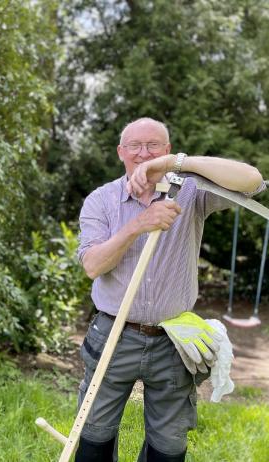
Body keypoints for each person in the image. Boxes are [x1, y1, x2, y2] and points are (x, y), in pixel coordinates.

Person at [75, 117, 264, 462]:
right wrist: (138, 226)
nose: (143, 153)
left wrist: (178, 165)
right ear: (121, 152)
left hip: (173, 339)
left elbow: (251, 181)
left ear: (167, 149)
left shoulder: (191, 191)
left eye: (154, 146)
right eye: (134, 146)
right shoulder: (101, 200)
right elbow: (93, 265)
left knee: (169, 445)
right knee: (94, 433)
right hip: (113, 335)